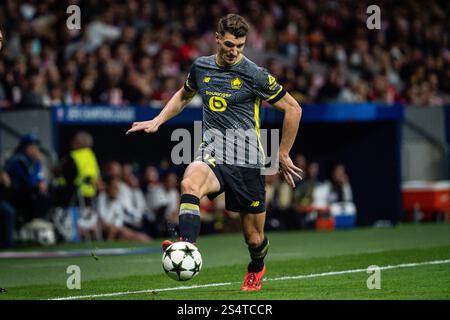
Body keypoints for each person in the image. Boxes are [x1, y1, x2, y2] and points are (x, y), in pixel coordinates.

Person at [126, 14, 302, 292]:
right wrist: (158, 119)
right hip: (213, 152)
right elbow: (185, 95)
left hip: (248, 159)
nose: (235, 51)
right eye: (230, 44)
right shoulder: (201, 66)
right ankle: (186, 245)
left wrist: (283, 153)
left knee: (254, 239)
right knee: (189, 183)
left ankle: (257, 267)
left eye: (241, 46)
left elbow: (293, 109)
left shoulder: (254, 73)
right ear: (217, 39)